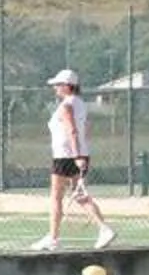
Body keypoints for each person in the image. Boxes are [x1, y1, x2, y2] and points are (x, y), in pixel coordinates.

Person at [33, 68, 117, 252]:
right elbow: (86, 127)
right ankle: (104, 229)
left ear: (67, 86)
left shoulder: (66, 106)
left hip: (66, 156)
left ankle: (53, 239)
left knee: (56, 197)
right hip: (77, 154)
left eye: (58, 85)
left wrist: (77, 155)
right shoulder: (80, 104)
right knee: (79, 195)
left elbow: (73, 131)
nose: (55, 88)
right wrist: (82, 153)